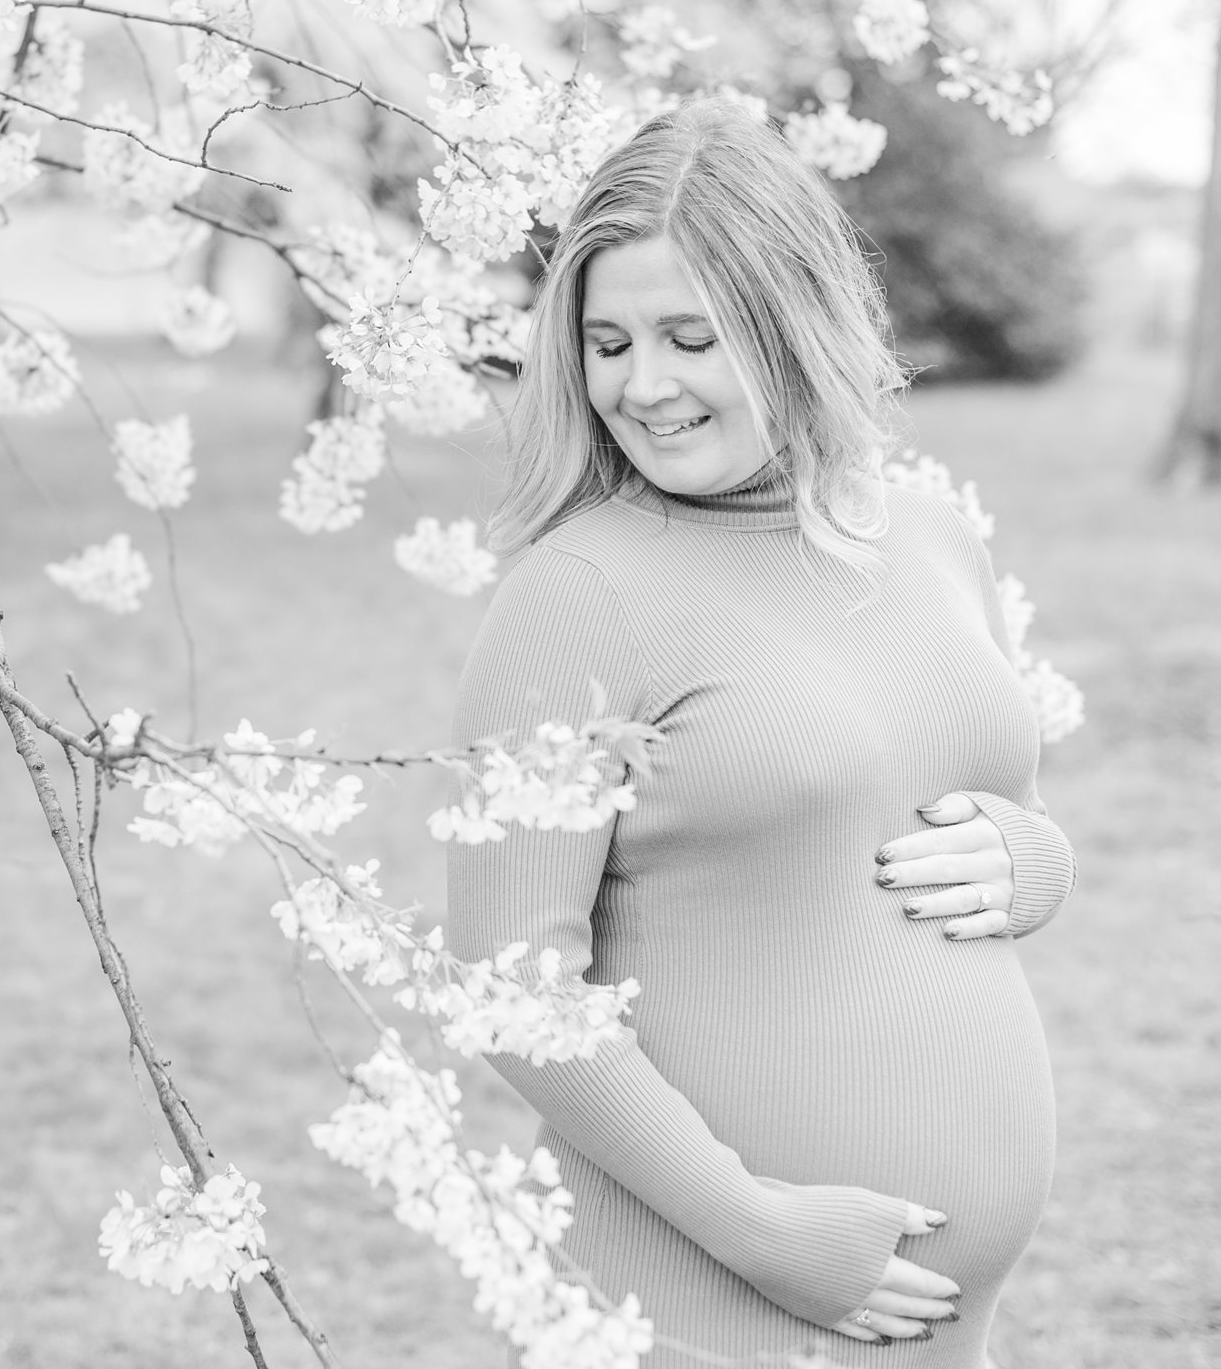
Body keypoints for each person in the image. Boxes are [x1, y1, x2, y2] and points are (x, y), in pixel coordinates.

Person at [446, 97, 1077, 1366]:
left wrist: (1035, 864)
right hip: (700, 1303)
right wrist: (763, 1232)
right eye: (609, 342)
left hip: (945, 1327)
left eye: (692, 336)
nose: (643, 385)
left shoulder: (931, 532)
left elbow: (932, 794)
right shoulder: (579, 595)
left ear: (796, 323)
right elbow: (509, 983)